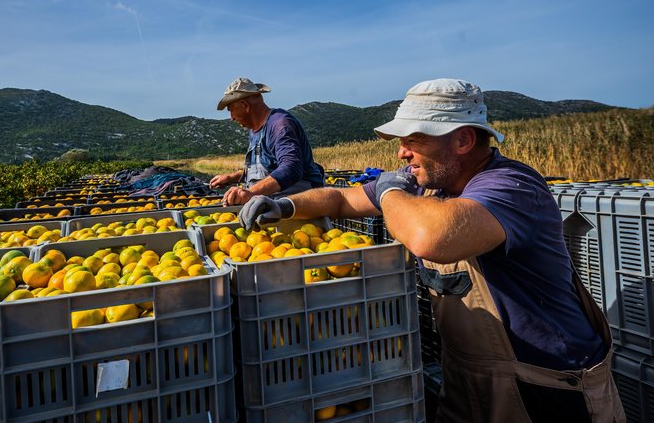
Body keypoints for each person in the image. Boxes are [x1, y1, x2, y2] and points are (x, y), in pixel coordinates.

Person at [239, 79, 625, 423]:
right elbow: (341, 198)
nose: (401, 154)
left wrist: (389, 190)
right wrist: (285, 206)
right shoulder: (431, 184)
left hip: (543, 384)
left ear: (462, 140)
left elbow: (432, 239)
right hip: (466, 373)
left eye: (414, 140)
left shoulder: (511, 186)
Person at [210, 77, 325, 206]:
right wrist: (232, 178)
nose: (231, 118)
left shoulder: (279, 125)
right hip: (269, 205)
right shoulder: (254, 131)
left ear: (245, 105)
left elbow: (291, 168)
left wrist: (250, 192)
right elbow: (265, 169)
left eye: (231, 110)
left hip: (297, 207)